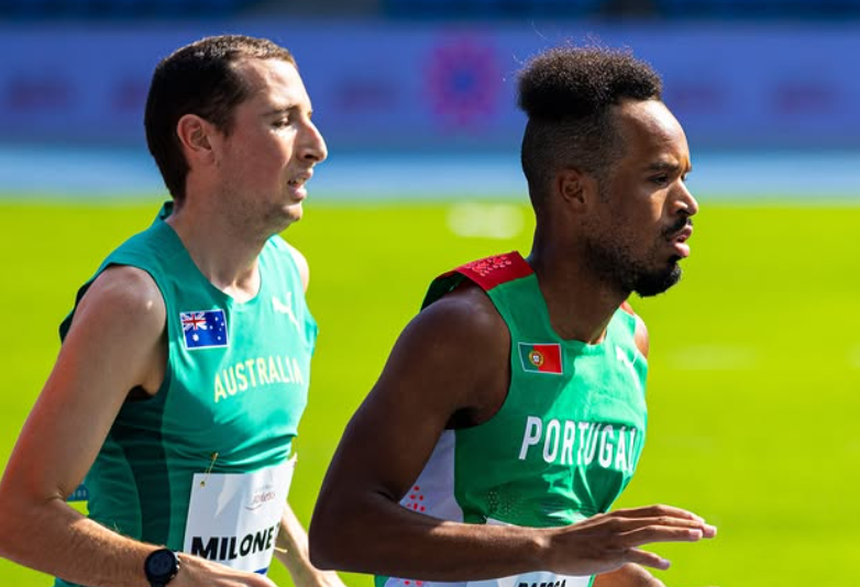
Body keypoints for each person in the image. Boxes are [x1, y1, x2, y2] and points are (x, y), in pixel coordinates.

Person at [309, 46, 715, 587]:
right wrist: (549, 547)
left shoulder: (628, 340)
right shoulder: (469, 329)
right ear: (575, 191)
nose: (688, 203)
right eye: (659, 179)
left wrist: (617, 574)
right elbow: (339, 530)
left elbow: (558, 539)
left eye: (685, 177)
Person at [0, 34, 345, 587]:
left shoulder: (288, 275)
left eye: (309, 118)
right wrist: (172, 572)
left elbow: (233, 464)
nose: (316, 146)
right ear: (199, 139)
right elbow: (16, 517)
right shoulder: (134, 304)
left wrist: (308, 566)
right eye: (282, 121)